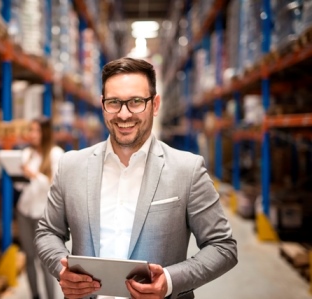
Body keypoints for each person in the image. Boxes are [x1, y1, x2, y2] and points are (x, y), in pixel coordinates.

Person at [35, 57, 238, 299]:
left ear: (155, 105)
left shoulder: (187, 170)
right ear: (102, 105)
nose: (123, 114)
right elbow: (48, 231)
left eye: (136, 102)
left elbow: (222, 246)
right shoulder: (71, 166)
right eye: (114, 103)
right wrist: (62, 270)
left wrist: (170, 281)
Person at [15, 116, 64, 299]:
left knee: (45, 261)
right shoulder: (27, 153)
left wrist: (34, 175)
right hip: (24, 210)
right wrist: (18, 175)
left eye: (36, 130)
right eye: (30, 130)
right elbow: (20, 187)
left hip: (43, 214)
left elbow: (55, 187)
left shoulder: (55, 154)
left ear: (45, 132)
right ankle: (35, 295)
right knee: (29, 257)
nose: (32, 134)